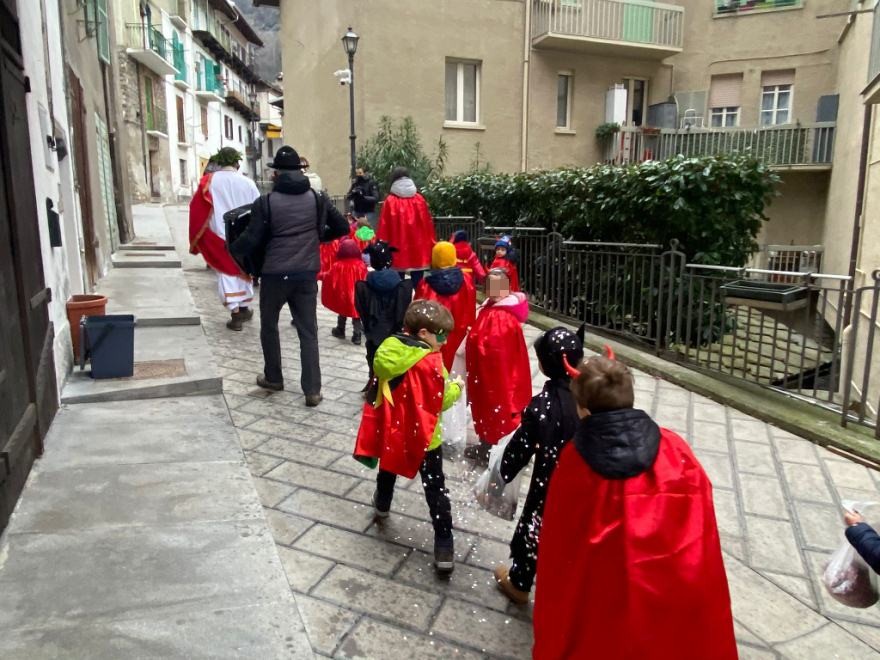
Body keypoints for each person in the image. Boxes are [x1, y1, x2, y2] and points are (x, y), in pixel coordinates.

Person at [533, 356, 737, 659]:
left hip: (603, 595)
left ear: (584, 409)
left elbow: (561, 546)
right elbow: (700, 526)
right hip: (671, 585)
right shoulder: (675, 448)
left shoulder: (576, 461)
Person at [230, 145, 348, 405]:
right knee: (308, 332)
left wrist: (231, 248)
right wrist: (318, 236)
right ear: (299, 171)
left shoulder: (266, 202)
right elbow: (342, 227)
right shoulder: (318, 198)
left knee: (269, 327)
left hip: (274, 275)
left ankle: (274, 377)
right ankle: (312, 390)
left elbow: (252, 239)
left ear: (277, 174)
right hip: (306, 274)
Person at [353, 300, 462, 574]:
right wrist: (457, 389)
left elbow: (380, 374)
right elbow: (442, 399)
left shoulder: (388, 350)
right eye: (441, 336)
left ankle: (382, 504)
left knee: (388, 468)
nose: (445, 342)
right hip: (426, 437)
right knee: (435, 488)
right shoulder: (432, 362)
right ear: (424, 333)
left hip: (395, 430)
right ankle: (444, 544)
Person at [493, 325, 585, 605]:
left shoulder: (544, 405)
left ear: (544, 367)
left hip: (552, 480)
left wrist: (504, 471)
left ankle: (520, 580)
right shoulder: (592, 393)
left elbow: (520, 446)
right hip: (587, 481)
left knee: (536, 524)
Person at [465, 269, 532, 464]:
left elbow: (493, 350)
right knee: (492, 409)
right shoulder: (495, 309)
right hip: (497, 373)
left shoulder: (499, 317)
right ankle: (491, 445)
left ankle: (494, 449)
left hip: (495, 376)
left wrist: (473, 338)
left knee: (495, 410)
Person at [189, 148, 260, 331]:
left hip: (220, 234)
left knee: (227, 272)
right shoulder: (248, 183)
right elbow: (258, 209)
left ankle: (236, 314)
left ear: (220, 161)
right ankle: (243, 307)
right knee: (244, 269)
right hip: (244, 235)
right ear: (237, 162)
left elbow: (197, 207)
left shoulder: (210, 181)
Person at [355, 241, 414, 382]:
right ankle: (390, 385)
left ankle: (373, 381)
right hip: (394, 332)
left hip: (373, 332)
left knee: (373, 354)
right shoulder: (403, 287)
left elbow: (362, 311)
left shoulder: (363, 286)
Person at [414, 241, 476, 372]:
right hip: (459, 330)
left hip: (434, 335)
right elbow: (470, 307)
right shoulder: (467, 279)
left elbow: (418, 311)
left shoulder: (426, 283)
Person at [376, 167, 435, 285]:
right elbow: (427, 224)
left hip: (396, 247)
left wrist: (381, 245)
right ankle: (417, 300)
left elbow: (384, 226)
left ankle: (401, 301)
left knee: (397, 281)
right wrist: (431, 243)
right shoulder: (419, 199)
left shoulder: (390, 201)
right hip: (418, 247)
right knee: (418, 281)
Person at [322, 238, 367, 345]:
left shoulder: (337, 265)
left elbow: (329, 276)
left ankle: (340, 329)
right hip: (357, 295)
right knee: (357, 315)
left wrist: (318, 275)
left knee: (342, 311)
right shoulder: (361, 266)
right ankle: (357, 335)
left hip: (343, 295)